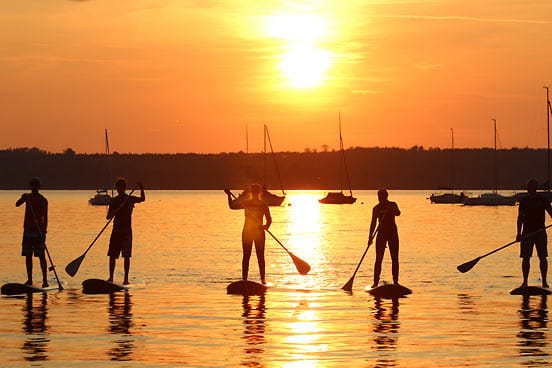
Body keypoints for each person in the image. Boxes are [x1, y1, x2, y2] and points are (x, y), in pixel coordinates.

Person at [225, 184, 272, 284]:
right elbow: (232, 206)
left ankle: (263, 280)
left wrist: (265, 227)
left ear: (258, 193)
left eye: (256, 192)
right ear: (252, 192)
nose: (255, 194)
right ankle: (244, 279)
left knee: (260, 257)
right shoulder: (246, 203)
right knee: (246, 256)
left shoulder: (263, 204)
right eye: (253, 192)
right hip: (247, 232)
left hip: (258, 233)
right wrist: (228, 195)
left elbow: (269, 220)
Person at [107, 178, 145, 285]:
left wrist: (141, 188)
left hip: (126, 231)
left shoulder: (129, 199)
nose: (119, 190)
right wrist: (116, 210)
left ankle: (126, 279)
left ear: (124, 188)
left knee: (126, 256)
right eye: (118, 188)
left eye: (121, 188)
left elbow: (142, 199)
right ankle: (110, 277)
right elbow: (108, 217)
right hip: (116, 231)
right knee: (112, 255)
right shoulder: (114, 201)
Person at [516, 178, 552, 288]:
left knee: (542, 257)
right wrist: (518, 233)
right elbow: (520, 218)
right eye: (529, 187)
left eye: (532, 187)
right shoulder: (524, 201)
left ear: (535, 188)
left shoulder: (543, 200)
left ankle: (544, 282)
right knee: (526, 258)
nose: (530, 189)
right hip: (527, 233)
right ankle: (525, 282)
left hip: (540, 232)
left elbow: (551, 213)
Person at [15, 177, 49, 287]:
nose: (34, 188)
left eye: (35, 186)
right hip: (28, 231)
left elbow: (45, 217)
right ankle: (29, 280)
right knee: (28, 255)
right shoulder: (27, 198)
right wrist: (22, 198)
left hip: (38, 232)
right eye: (32, 186)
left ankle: (45, 280)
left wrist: (44, 232)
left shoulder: (43, 200)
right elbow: (17, 204)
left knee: (41, 256)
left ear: (39, 187)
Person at [368, 189, 401, 288]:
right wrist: (370, 237)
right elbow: (373, 222)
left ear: (386, 196)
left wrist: (392, 209)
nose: (380, 198)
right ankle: (375, 282)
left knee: (395, 258)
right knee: (379, 258)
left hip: (392, 233)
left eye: (382, 196)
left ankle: (396, 281)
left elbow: (398, 213)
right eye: (379, 196)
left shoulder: (392, 204)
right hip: (381, 234)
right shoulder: (376, 208)